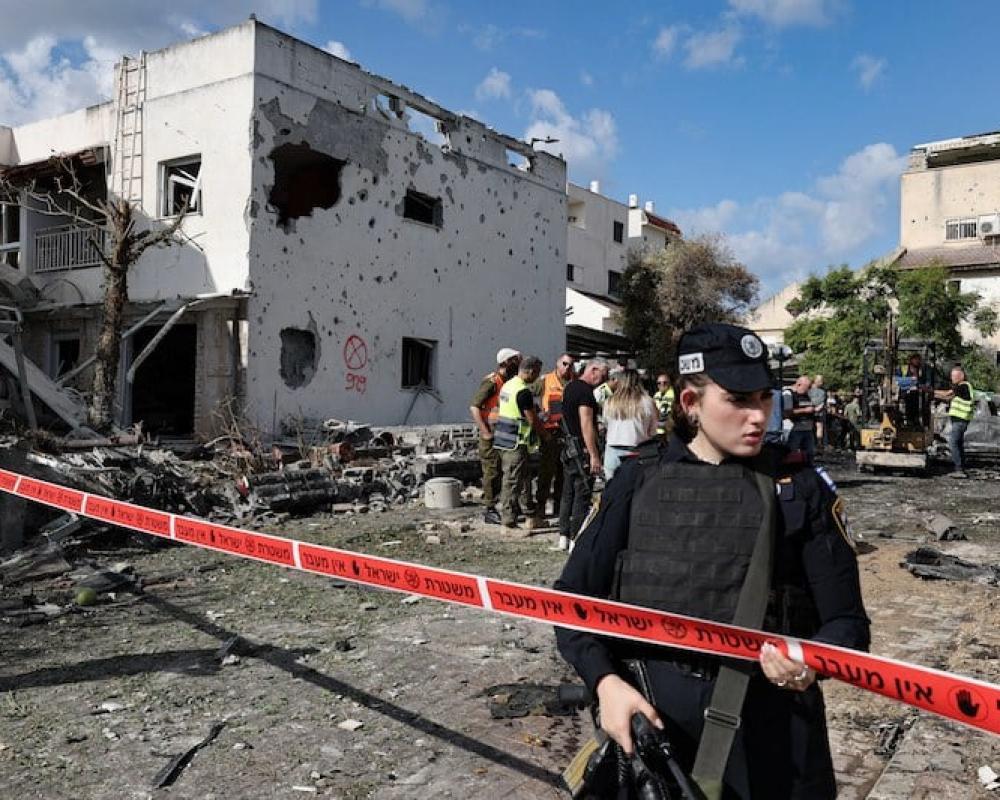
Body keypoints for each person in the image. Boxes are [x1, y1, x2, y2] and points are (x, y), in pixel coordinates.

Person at [555, 322, 869, 800]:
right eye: (738, 400)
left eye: (764, 397)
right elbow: (571, 604)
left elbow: (847, 623)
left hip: (774, 735)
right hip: (658, 728)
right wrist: (607, 683)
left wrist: (811, 660)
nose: (758, 415)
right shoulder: (637, 480)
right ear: (690, 403)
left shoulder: (799, 488)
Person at [558, 358, 609, 551]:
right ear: (593, 370)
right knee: (582, 493)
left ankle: (563, 536)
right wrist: (594, 455)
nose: (604, 381)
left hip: (568, 448)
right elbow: (586, 424)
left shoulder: (570, 387)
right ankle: (576, 539)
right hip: (581, 450)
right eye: (603, 376)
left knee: (567, 493)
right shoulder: (585, 393)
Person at [494, 356, 547, 529]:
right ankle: (508, 523)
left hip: (504, 439)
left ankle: (530, 516)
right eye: (537, 373)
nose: (537, 377)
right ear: (530, 371)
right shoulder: (523, 391)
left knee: (524, 480)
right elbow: (532, 420)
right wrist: (545, 435)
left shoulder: (508, 385)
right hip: (516, 442)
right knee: (512, 481)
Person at [469, 347, 520, 524]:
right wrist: (485, 432)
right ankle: (489, 509)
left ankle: (502, 505)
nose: (517, 364)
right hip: (491, 434)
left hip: (503, 433)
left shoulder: (509, 382)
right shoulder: (492, 382)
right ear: (505, 362)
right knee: (491, 472)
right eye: (514, 361)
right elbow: (474, 407)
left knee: (502, 471)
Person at [532, 353, 575, 528]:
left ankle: (560, 507)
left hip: (567, 432)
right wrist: (538, 414)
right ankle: (540, 507)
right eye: (564, 363)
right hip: (550, 432)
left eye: (570, 365)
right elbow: (526, 394)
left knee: (563, 472)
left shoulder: (574, 381)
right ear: (557, 364)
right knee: (546, 472)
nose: (567, 367)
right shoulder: (545, 380)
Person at [602, 369, 659, 481]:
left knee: (613, 489)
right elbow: (653, 430)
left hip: (612, 451)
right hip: (637, 451)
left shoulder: (609, 402)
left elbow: (606, 424)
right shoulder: (647, 402)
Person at [934, 366, 975, 478]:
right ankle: (961, 467)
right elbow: (948, 398)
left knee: (953, 442)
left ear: (961, 376)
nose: (951, 378)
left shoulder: (963, 386)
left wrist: (930, 391)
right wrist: (934, 394)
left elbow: (947, 394)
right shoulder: (962, 388)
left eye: (953, 376)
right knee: (959, 443)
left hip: (961, 420)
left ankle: (959, 469)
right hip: (960, 420)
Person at [785, 375, 816, 461]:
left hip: (808, 428)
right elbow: (787, 412)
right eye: (807, 387)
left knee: (809, 453)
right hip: (795, 428)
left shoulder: (806, 395)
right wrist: (805, 410)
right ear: (799, 384)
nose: (808, 390)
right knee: (791, 452)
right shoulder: (788, 394)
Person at [652, 372, 675, 438]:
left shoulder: (672, 394)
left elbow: (664, 412)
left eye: (665, 383)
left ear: (669, 383)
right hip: (658, 431)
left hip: (669, 431)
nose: (662, 385)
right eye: (659, 383)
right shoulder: (657, 395)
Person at [809, 374, 827, 451]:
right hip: (811, 411)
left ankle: (819, 444)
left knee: (819, 427)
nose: (821, 382)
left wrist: (819, 407)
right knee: (814, 427)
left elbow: (823, 402)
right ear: (815, 380)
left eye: (822, 381)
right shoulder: (809, 390)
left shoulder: (823, 391)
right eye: (820, 381)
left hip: (817, 412)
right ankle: (814, 444)